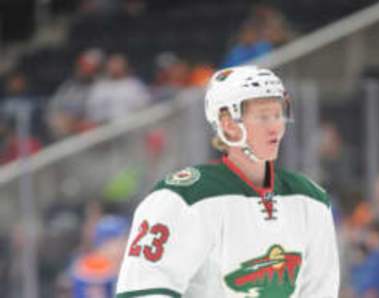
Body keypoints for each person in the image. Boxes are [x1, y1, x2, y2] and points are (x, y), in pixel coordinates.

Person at [116, 65, 340, 297]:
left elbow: (320, 290)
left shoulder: (311, 199)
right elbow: (143, 289)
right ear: (228, 124)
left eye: (278, 114)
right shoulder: (184, 197)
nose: (275, 126)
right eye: (264, 116)